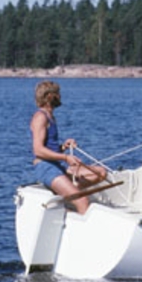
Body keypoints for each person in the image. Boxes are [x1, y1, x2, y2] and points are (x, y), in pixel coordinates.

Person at [29, 80, 107, 214]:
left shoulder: (50, 117)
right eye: (58, 94)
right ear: (50, 96)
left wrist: (63, 147)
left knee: (101, 173)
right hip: (46, 168)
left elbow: (49, 148)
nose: (60, 96)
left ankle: (68, 191)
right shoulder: (40, 117)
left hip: (56, 165)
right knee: (82, 200)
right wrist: (65, 157)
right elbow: (38, 150)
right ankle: (73, 199)